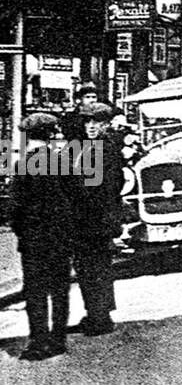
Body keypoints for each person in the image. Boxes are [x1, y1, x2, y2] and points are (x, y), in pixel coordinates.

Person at [12, 113, 74, 361]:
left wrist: (22, 231)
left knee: (35, 290)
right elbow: (75, 199)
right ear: (51, 135)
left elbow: (15, 208)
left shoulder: (22, 165)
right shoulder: (64, 163)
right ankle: (58, 339)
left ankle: (39, 342)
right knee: (59, 289)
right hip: (59, 236)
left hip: (33, 239)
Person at [66, 102, 123, 335]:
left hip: (95, 219)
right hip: (89, 218)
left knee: (94, 268)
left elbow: (95, 187)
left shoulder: (104, 149)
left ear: (106, 124)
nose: (90, 126)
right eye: (87, 122)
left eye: (96, 122)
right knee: (90, 267)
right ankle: (98, 314)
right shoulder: (87, 146)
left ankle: (99, 318)